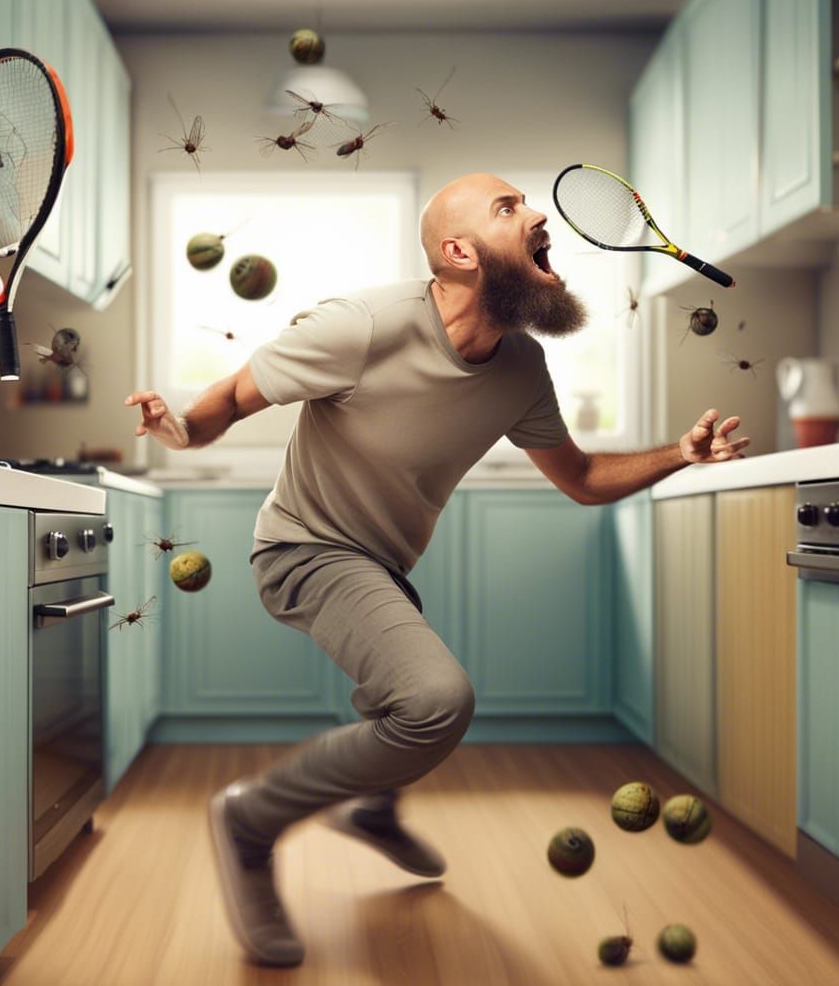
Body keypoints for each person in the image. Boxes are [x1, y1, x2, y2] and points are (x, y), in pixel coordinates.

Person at [124, 172, 749, 968]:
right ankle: (252, 817)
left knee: (404, 701)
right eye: (509, 206)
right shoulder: (361, 326)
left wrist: (678, 455)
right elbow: (231, 398)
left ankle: (373, 808)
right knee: (434, 701)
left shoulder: (520, 367)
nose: (537, 213)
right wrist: (178, 432)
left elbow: (584, 478)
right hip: (304, 551)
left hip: (379, 565)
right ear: (458, 253)